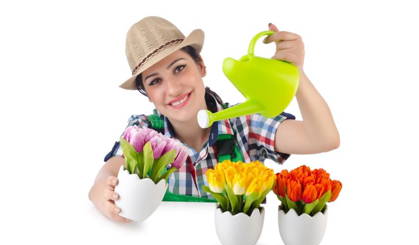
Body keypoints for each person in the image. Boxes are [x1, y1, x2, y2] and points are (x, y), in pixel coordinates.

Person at [88, 16, 340, 223]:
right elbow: (111, 169)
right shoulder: (144, 132)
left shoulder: (247, 123)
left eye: (179, 68)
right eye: (155, 81)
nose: (173, 89)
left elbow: (324, 138)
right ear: (149, 96)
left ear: (201, 67)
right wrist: (100, 189)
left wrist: (295, 73)